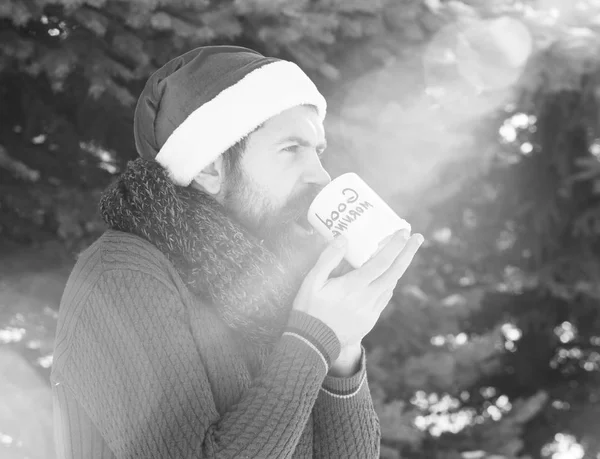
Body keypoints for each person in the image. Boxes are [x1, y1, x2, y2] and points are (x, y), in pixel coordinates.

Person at [50, 45, 424, 458]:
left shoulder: (276, 288)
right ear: (210, 167)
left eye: (317, 151)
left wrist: (343, 351)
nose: (320, 175)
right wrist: (312, 339)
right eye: (290, 149)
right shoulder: (121, 275)